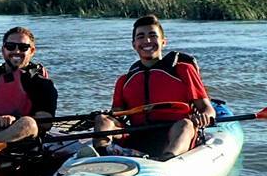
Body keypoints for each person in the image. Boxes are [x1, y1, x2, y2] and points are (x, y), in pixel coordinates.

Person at [92, 14, 215, 159]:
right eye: (141, 37)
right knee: (102, 119)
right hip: (138, 134)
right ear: (134, 44)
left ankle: (167, 159)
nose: (147, 41)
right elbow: (117, 114)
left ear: (163, 42)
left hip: (173, 132)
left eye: (152, 35)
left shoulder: (183, 70)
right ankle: (101, 155)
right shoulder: (124, 81)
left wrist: (204, 117)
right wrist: (105, 118)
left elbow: (208, 109)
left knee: (185, 124)